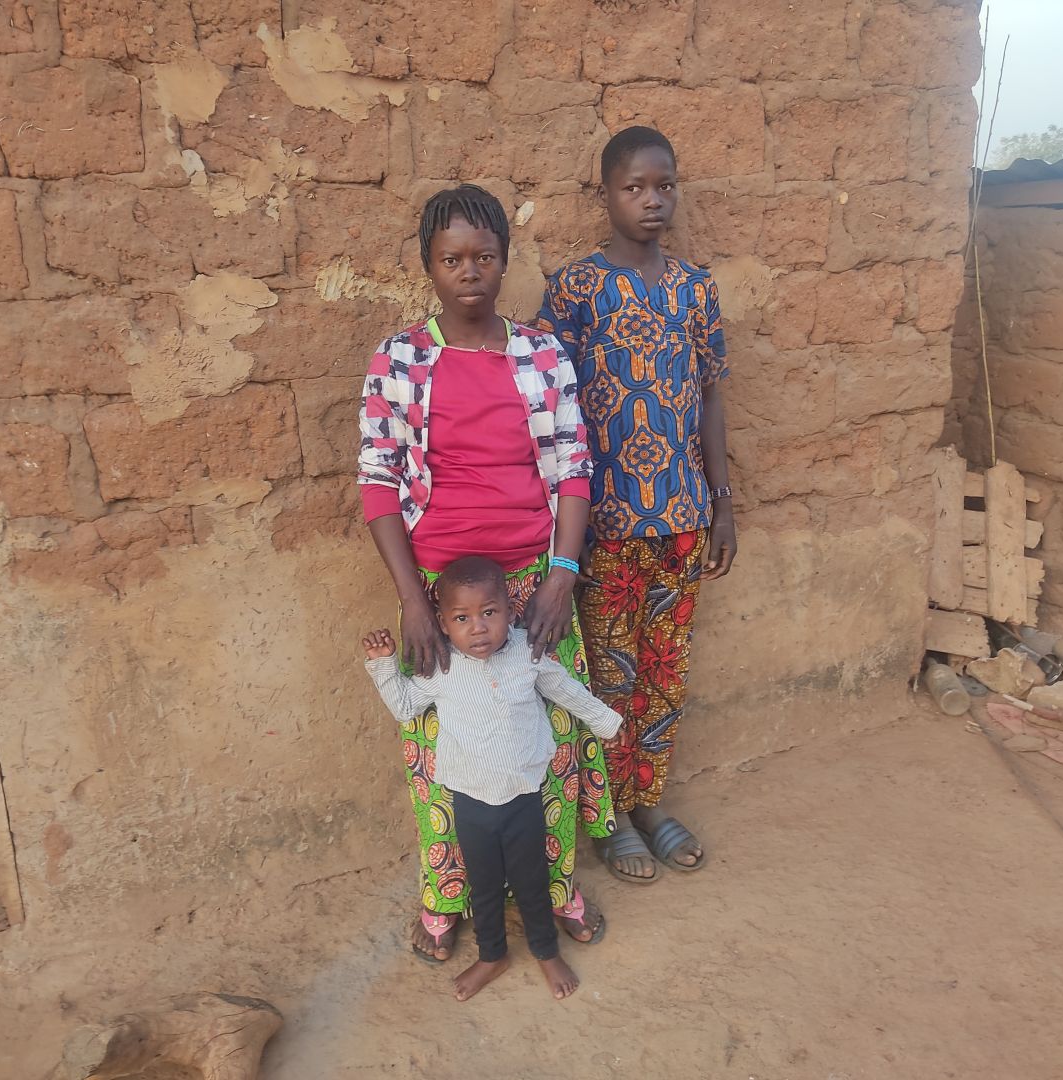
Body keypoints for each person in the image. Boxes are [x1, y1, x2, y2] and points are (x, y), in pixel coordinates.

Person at [356, 184, 616, 962]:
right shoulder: (400, 359)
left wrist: (562, 576)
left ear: (505, 261)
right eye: (451, 259)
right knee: (441, 754)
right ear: (429, 266)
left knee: (553, 746)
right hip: (443, 599)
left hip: (533, 586)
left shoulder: (542, 354)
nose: (468, 271)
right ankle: (446, 896)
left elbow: (573, 467)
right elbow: (378, 483)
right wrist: (414, 602)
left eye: (484, 256)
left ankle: (555, 884)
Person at [537, 126, 738, 884]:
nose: (653, 201)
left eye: (665, 186)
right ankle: (608, 816)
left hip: (682, 519)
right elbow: (551, 410)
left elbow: (710, 396)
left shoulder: (695, 288)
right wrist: (562, 524)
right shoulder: (575, 289)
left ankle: (648, 801)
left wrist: (722, 503)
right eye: (634, 187)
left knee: (664, 672)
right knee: (607, 676)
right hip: (606, 527)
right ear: (607, 196)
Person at [362, 556, 623, 1000]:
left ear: (509, 611)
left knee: (532, 880)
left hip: (523, 796)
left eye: (489, 612)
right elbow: (405, 708)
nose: (478, 628)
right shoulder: (441, 667)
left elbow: (568, 692)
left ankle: (546, 952)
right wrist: (384, 664)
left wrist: (609, 724)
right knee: (482, 885)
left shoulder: (527, 654)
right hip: (470, 801)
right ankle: (492, 955)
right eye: (462, 618)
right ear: (443, 624)